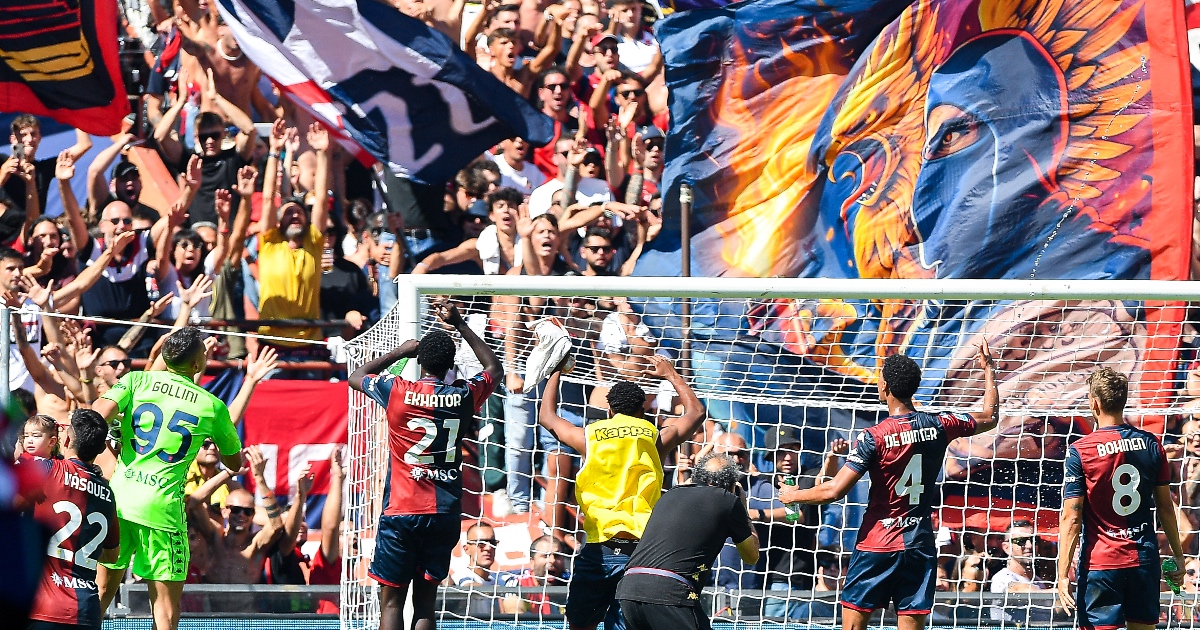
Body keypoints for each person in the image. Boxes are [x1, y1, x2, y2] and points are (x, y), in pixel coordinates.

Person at [779, 343, 999, 630]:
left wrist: (792, 495)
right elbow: (989, 416)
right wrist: (989, 370)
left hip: (877, 543)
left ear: (884, 387)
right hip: (918, 544)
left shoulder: (874, 436)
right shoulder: (940, 424)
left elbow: (834, 490)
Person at [347, 300, 501, 630]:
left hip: (402, 509)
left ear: (420, 360)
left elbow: (357, 376)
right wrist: (459, 323)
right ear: (451, 365)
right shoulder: (463, 394)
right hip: (444, 511)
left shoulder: (397, 391)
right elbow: (494, 369)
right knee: (426, 607)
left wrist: (401, 351)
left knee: (391, 605)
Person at [538, 354, 705, 630]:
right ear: (642, 411)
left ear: (609, 411)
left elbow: (547, 417)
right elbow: (697, 412)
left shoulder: (588, 437)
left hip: (598, 548)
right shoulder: (654, 437)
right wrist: (671, 374)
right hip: (642, 552)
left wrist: (556, 370)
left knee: (580, 625)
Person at [95, 327, 244, 630]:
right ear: (197, 365)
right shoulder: (211, 406)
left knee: (100, 592)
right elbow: (234, 462)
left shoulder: (136, 380)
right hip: (162, 511)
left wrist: (116, 433)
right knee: (164, 610)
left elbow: (98, 414)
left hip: (119, 502)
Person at [1056, 367, 1187, 630]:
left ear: (1094, 403)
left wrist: (1061, 574)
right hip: (1144, 561)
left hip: (1101, 565)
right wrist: (1179, 556)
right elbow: (1165, 508)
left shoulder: (1080, 451)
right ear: (1124, 400)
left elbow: (1072, 517)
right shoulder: (1151, 444)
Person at [614, 452, 759, 630]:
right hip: (669, 592)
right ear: (730, 485)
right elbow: (751, 556)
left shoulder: (669, 494)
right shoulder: (727, 500)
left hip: (629, 590)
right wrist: (742, 506)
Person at [18, 409, 119, 630]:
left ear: (65, 439)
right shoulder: (108, 493)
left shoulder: (45, 469)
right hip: (86, 612)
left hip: (41, 609)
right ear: (102, 449)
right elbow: (112, 556)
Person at [189, 448, 284, 585]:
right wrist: (227, 473)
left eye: (248, 512)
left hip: (245, 606)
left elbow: (276, 525)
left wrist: (260, 479)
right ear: (225, 511)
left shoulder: (255, 544)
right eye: (236, 509)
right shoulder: (215, 537)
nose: (241, 515)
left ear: (253, 515)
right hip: (213, 605)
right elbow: (194, 502)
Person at [989, 519, 1052, 624]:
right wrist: (1060, 593)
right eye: (1021, 541)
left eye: (1033, 540)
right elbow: (1018, 589)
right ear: (1006, 548)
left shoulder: (1039, 582)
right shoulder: (1001, 578)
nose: (1029, 546)